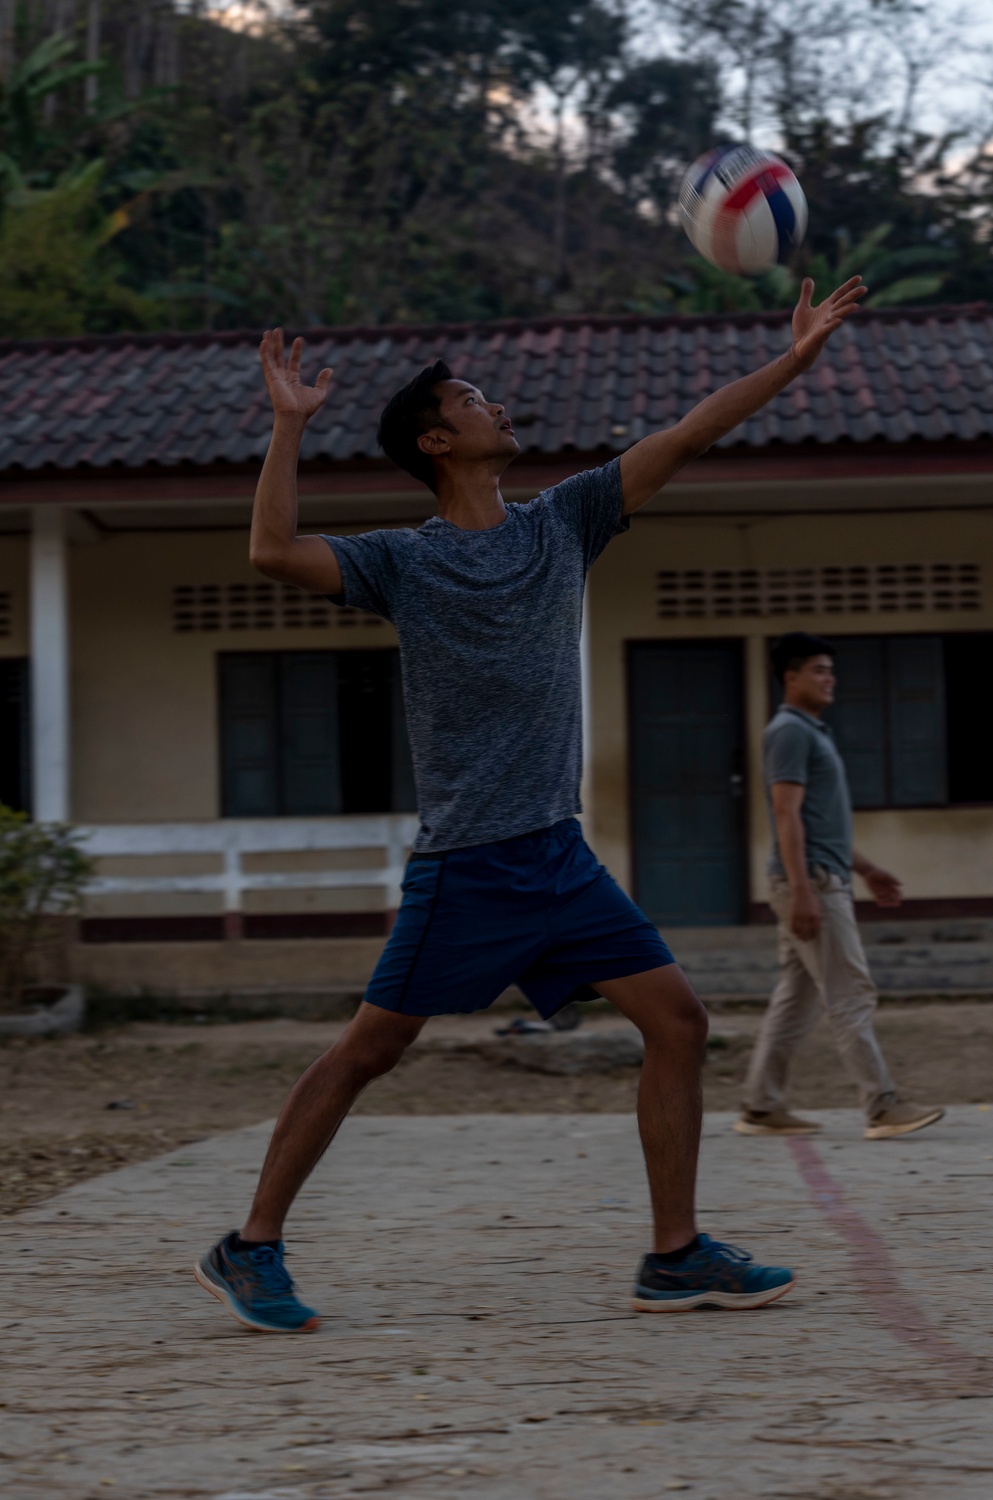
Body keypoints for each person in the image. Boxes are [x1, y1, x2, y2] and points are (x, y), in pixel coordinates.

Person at [195, 277, 867, 1334]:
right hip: (469, 864)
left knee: (680, 1024)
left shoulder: (564, 522)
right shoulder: (404, 562)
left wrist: (794, 361)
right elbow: (272, 551)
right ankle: (250, 1245)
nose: (496, 407)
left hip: (557, 857)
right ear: (436, 442)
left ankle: (674, 1254)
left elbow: (687, 434)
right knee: (370, 1051)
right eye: (472, 400)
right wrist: (287, 428)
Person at [735, 632, 944, 1141]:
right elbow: (786, 815)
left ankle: (761, 1107)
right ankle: (882, 1105)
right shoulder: (788, 731)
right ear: (791, 677)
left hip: (817, 877)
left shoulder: (811, 731)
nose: (830, 679)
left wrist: (867, 869)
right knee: (850, 993)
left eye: (831, 671)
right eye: (819, 670)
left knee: (797, 997)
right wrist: (804, 891)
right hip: (811, 885)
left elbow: (819, 823)